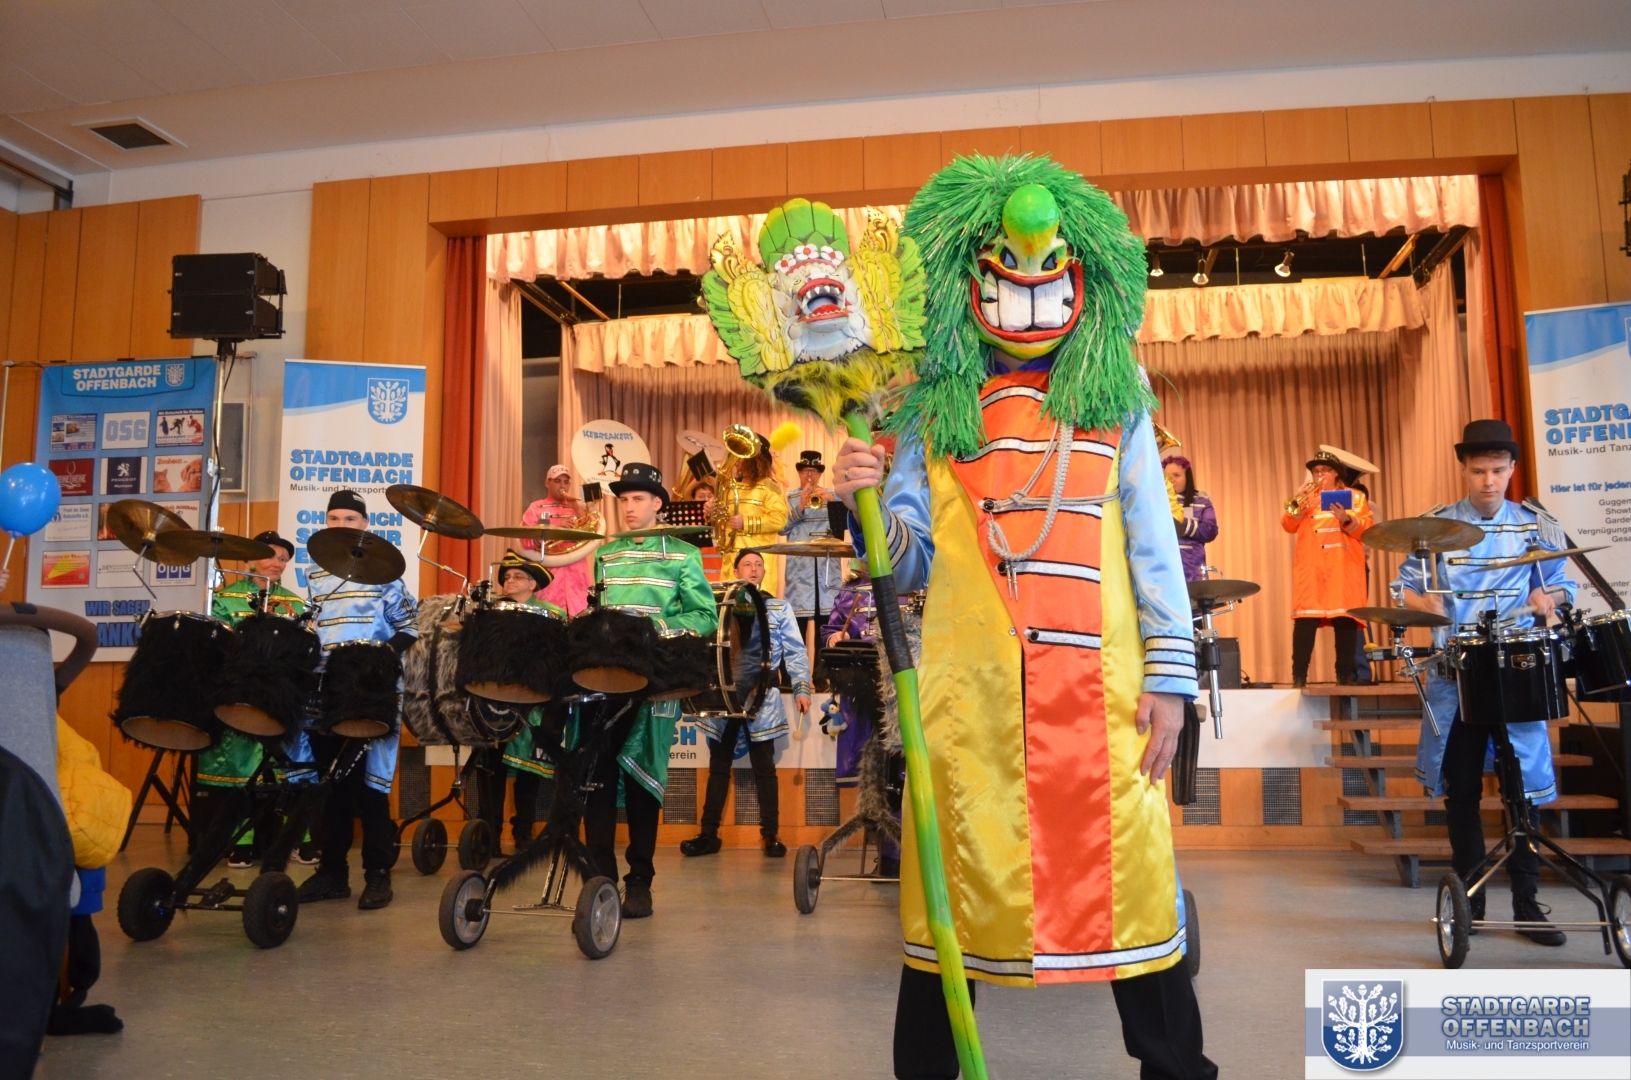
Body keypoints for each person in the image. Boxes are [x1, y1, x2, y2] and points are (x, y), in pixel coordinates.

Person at [836, 159, 1213, 1080]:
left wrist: (1170, 680)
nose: (1030, 291)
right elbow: (908, 558)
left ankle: (1177, 1071)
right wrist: (863, 500)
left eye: (1050, 272)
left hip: (1104, 699)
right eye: (1005, 271)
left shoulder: (1117, 397)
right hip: (969, 704)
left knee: (1132, 887)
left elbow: (1153, 545)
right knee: (952, 894)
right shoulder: (926, 409)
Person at [1394, 419, 1574, 945]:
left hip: (1516, 675)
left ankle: (1527, 904)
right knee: (1463, 791)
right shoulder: (1434, 527)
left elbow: (1562, 587)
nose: (1488, 481)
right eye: (1478, 471)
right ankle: (1469, 901)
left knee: (1521, 793)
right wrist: (1423, 603)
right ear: (1464, 470)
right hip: (1458, 677)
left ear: (1512, 469)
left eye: (1497, 470)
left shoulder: (1536, 524)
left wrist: (1547, 599)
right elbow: (1403, 588)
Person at [587, 463, 717, 917]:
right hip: (604, 679)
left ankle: (640, 881)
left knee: (644, 781)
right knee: (596, 779)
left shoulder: (683, 554)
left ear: (658, 504)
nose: (628, 507)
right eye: (623, 499)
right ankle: (600, 880)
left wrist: (651, 628)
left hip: (655, 680)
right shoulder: (606, 554)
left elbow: (705, 617)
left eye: (638, 498)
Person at [296, 490, 418, 911]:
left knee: (370, 789)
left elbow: (410, 627)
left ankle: (378, 874)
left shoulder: (385, 572)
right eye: (334, 518)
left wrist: (380, 658)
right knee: (330, 785)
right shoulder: (313, 573)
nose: (341, 525)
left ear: (364, 525)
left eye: (350, 518)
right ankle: (332, 874)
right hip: (325, 689)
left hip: (370, 690)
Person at [680, 548, 811, 859]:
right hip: (724, 696)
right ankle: (708, 835)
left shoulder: (778, 607)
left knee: (764, 768)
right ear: (736, 571)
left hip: (761, 697)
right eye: (747, 564)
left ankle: (771, 835)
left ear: (764, 572)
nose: (753, 569)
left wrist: (802, 688)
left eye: (758, 564)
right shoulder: (718, 606)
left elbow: (795, 650)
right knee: (718, 767)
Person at [195, 531, 306, 868]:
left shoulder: (295, 603)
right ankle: (239, 841)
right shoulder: (224, 599)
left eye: (283, 558)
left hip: (282, 696)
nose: (277, 563)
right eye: (270, 555)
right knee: (240, 763)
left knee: (297, 762)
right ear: (251, 559)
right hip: (239, 693)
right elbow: (215, 649)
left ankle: (297, 839)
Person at [475, 552, 566, 850]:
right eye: (506, 577)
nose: (509, 581)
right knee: (491, 769)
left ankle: (523, 833)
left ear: (533, 584)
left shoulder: (551, 614)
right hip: (494, 701)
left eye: (517, 576)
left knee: (528, 771)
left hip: (533, 703)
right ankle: (488, 836)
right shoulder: (491, 611)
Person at [1281, 449, 1374, 686]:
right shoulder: (1305, 499)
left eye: (1324, 470)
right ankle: (1298, 677)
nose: (1319, 474)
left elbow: (1367, 530)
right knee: (1305, 620)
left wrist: (1346, 519)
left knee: (1345, 620)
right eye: (1315, 471)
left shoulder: (1355, 497)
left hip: (1343, 568)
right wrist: (1299, 502)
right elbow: (1288, 525)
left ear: (1336, 473)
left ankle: (1344, 677)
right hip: (1312, 568)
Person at [710, 430, 790, 584]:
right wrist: (712, 512)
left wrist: (746, 522)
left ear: (754, 459)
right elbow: (724, 520)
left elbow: (779, 519)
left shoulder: (769, 486)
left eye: (741, 456)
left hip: (758, 565)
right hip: (731, 564)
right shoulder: (731, 486)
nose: (736, 460)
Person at [519, 464, 600, 615]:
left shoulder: (577, 507)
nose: (562, 486)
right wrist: (555, 528)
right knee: (549, 621)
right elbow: (525, 540)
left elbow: (592, 534)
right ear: (547, 483)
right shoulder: (536, 508)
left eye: (566, 482)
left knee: (579, 620)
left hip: (576, 575)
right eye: (557, 481)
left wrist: (577, 508)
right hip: (549, 576)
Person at [781, 449, 844, 640]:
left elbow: (843, 529)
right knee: (796, 632)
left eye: (814, 471)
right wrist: (801, 505)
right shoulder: (788, 498)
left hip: (827, 569)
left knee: (826, 631)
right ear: (799, 473)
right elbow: (781, 529)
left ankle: (823, 661)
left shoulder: (833, 495)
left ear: (820, 474)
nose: (810, 475)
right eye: (806, 471)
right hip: (800, 571)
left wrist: (833, 503)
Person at [1162, 454, 1217, 583]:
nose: (1171, 480)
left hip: (1192, 571)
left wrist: (1180, 523)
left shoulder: (1201, 501)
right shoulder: (1154, 502)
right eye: (1167, 476)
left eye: (1177, 475)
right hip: (1163, 568)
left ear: (1187, 477)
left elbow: (1210, 531)